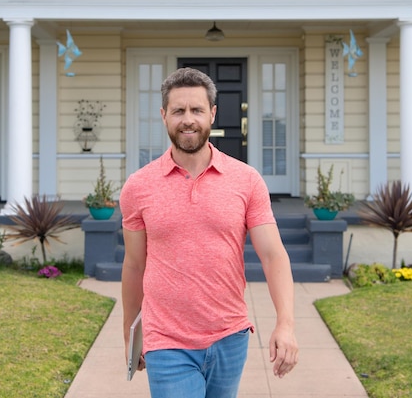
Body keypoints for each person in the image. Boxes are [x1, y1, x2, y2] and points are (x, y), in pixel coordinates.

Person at [120, 67, 298, 398]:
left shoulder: (246, 180)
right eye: (178, 111)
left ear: (212, 114)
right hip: (166, 339)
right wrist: (132, 333)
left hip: (230, 336)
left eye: (197, 110)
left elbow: (274, 256)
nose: (188, 119)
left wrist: (285, 323)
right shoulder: (138, 187)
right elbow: (134, 265)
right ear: (164, 116)